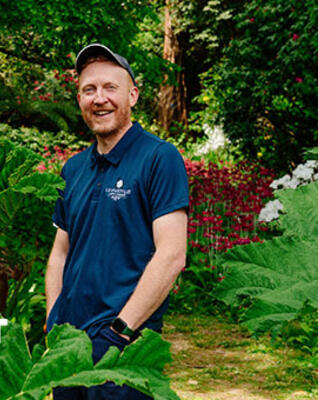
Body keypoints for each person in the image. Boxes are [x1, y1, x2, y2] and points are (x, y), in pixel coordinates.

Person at [45, 43, 189, 399]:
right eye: (88, 89)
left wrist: (119, 331)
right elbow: (59, 254)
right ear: (79, 98)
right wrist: (53, 326)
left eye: (111, 88)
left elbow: (172, 254)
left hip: (122, 347)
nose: (99, 98)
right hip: (68, 348)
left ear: (133, 95)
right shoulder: (73, 168)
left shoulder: (159, 158)